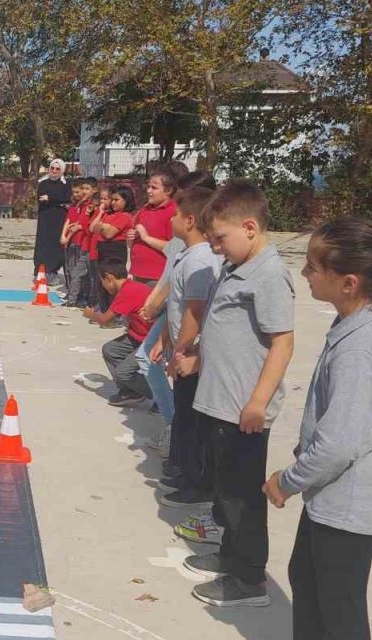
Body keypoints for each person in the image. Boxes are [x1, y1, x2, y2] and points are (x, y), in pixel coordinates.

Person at [264, 217, 372, 640]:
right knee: (308, 581)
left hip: (347, 506)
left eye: (314, 268)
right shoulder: (352, 325)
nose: (305, 273)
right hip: (331, 499)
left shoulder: (362, 347)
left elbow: (338, 444)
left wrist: (288, 481)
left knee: (339, 612)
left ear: (349, 282)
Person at [178, 179, 294, 608]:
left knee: (243, 497)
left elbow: (282, 341)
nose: (217, 247)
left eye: (221, 239)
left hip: (242, 409)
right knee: (225, 490)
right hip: (218, 401)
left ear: (249, 226)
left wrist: (258, 401)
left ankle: (248, 579)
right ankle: (230, 555)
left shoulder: (268, 275)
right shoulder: (235, 267)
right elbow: (225, 332)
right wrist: (198, 359)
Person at [152, 186, 220, 512]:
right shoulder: (187, 255)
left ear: (190, 220)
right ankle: (183, 472)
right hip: (180, 349)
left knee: (192, 423)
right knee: (183, 417)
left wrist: (180, 353)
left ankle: (196, 481)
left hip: (191, 357)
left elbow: (195, 312)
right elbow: (175, 306)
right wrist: (164, 339)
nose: (172, 219)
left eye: (177, 214)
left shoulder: (201, 260)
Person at [83, 258, 154, 407]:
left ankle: (163, 398)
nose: (102, 286)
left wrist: (91, 314)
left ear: (109, 277)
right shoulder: (129, 287)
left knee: (124, 372)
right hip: (137, 335)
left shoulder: (128, 291)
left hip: (151, 340)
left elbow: (105, 320)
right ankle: (130, 391)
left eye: (102, 281)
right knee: (110, 350)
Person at [90, 184, 136, 315]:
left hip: (114, 250)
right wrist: (102, 220)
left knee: (113, 282)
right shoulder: (108, 214)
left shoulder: (125, 216)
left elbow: (110, 233)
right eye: (112, 199)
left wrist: (103, 227)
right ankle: (105, 310)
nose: (113, 203)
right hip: (103, 249)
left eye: (117, 200)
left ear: (126, 201)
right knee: (102, 281)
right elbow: (93, 228)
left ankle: (115, 313)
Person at [129, 170, 178, 285]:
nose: (149, 191)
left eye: (154, 188)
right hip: (138, 272)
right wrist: (132, 237)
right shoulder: (145, 209)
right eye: (148, 187)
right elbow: (132, 239)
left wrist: (146, 238)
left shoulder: (174, 212)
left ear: (168, 190)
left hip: (157, 276)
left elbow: (174, 247)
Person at [60, 178, 97, 307]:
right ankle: (73, 295)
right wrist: (65, 236)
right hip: (74, 241)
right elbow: (70, 221)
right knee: (72, 270)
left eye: (85, 189)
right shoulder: (77, 206)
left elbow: (83, 225)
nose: (82, 192)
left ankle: (81, 297)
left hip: (82, 242)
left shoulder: (91, 206)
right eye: (82, 189)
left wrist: (70, 234)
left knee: (82, 273)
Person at [34, 159, 72, 281]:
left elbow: (66, 197)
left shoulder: (66, 185)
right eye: (52, 168)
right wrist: (58, 201)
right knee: (43, 243)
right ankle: (39, 270)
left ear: (62, 171)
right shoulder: (43, 183)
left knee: (56, 244)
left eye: (57, 169)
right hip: (45, 217)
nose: (54, 171)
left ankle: (52, 270)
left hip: (59, 218)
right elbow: (41, 197)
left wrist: (50, 198)